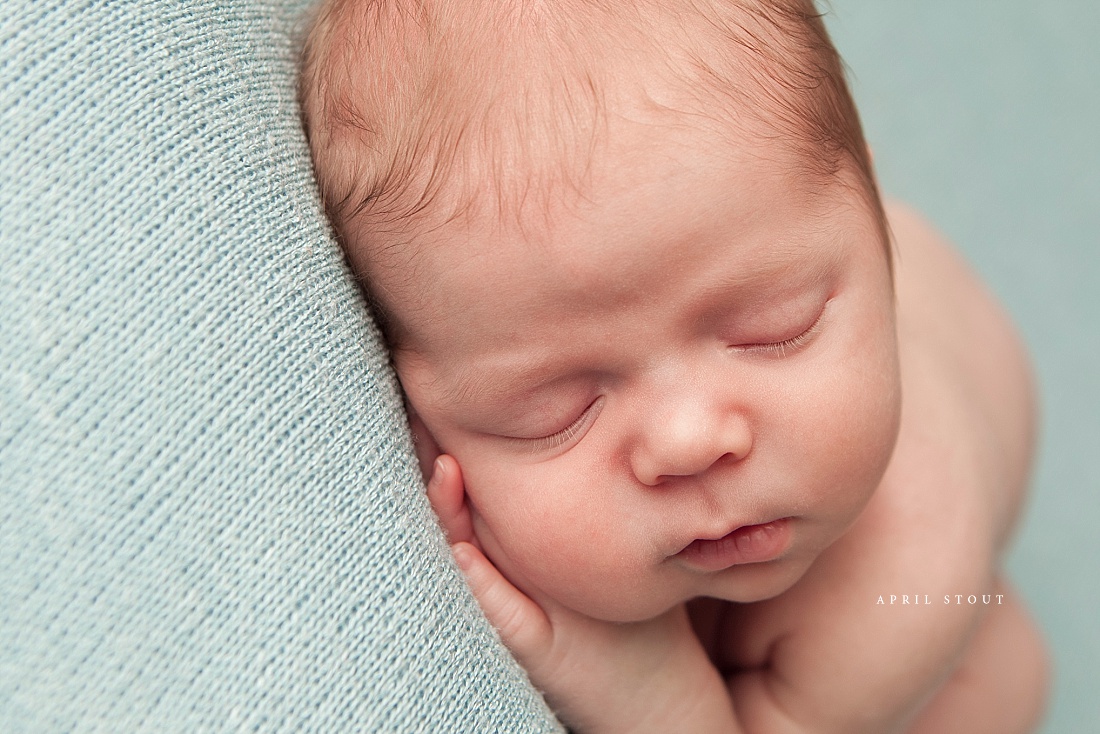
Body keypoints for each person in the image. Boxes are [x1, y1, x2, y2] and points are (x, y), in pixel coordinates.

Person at [299, 0, 1050, 731]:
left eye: (772, 330)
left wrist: (646, 685)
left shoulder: (910, 579)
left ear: (875, 226)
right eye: (554, 411)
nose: (689, 441)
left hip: (937, 612)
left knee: (1001, 680)